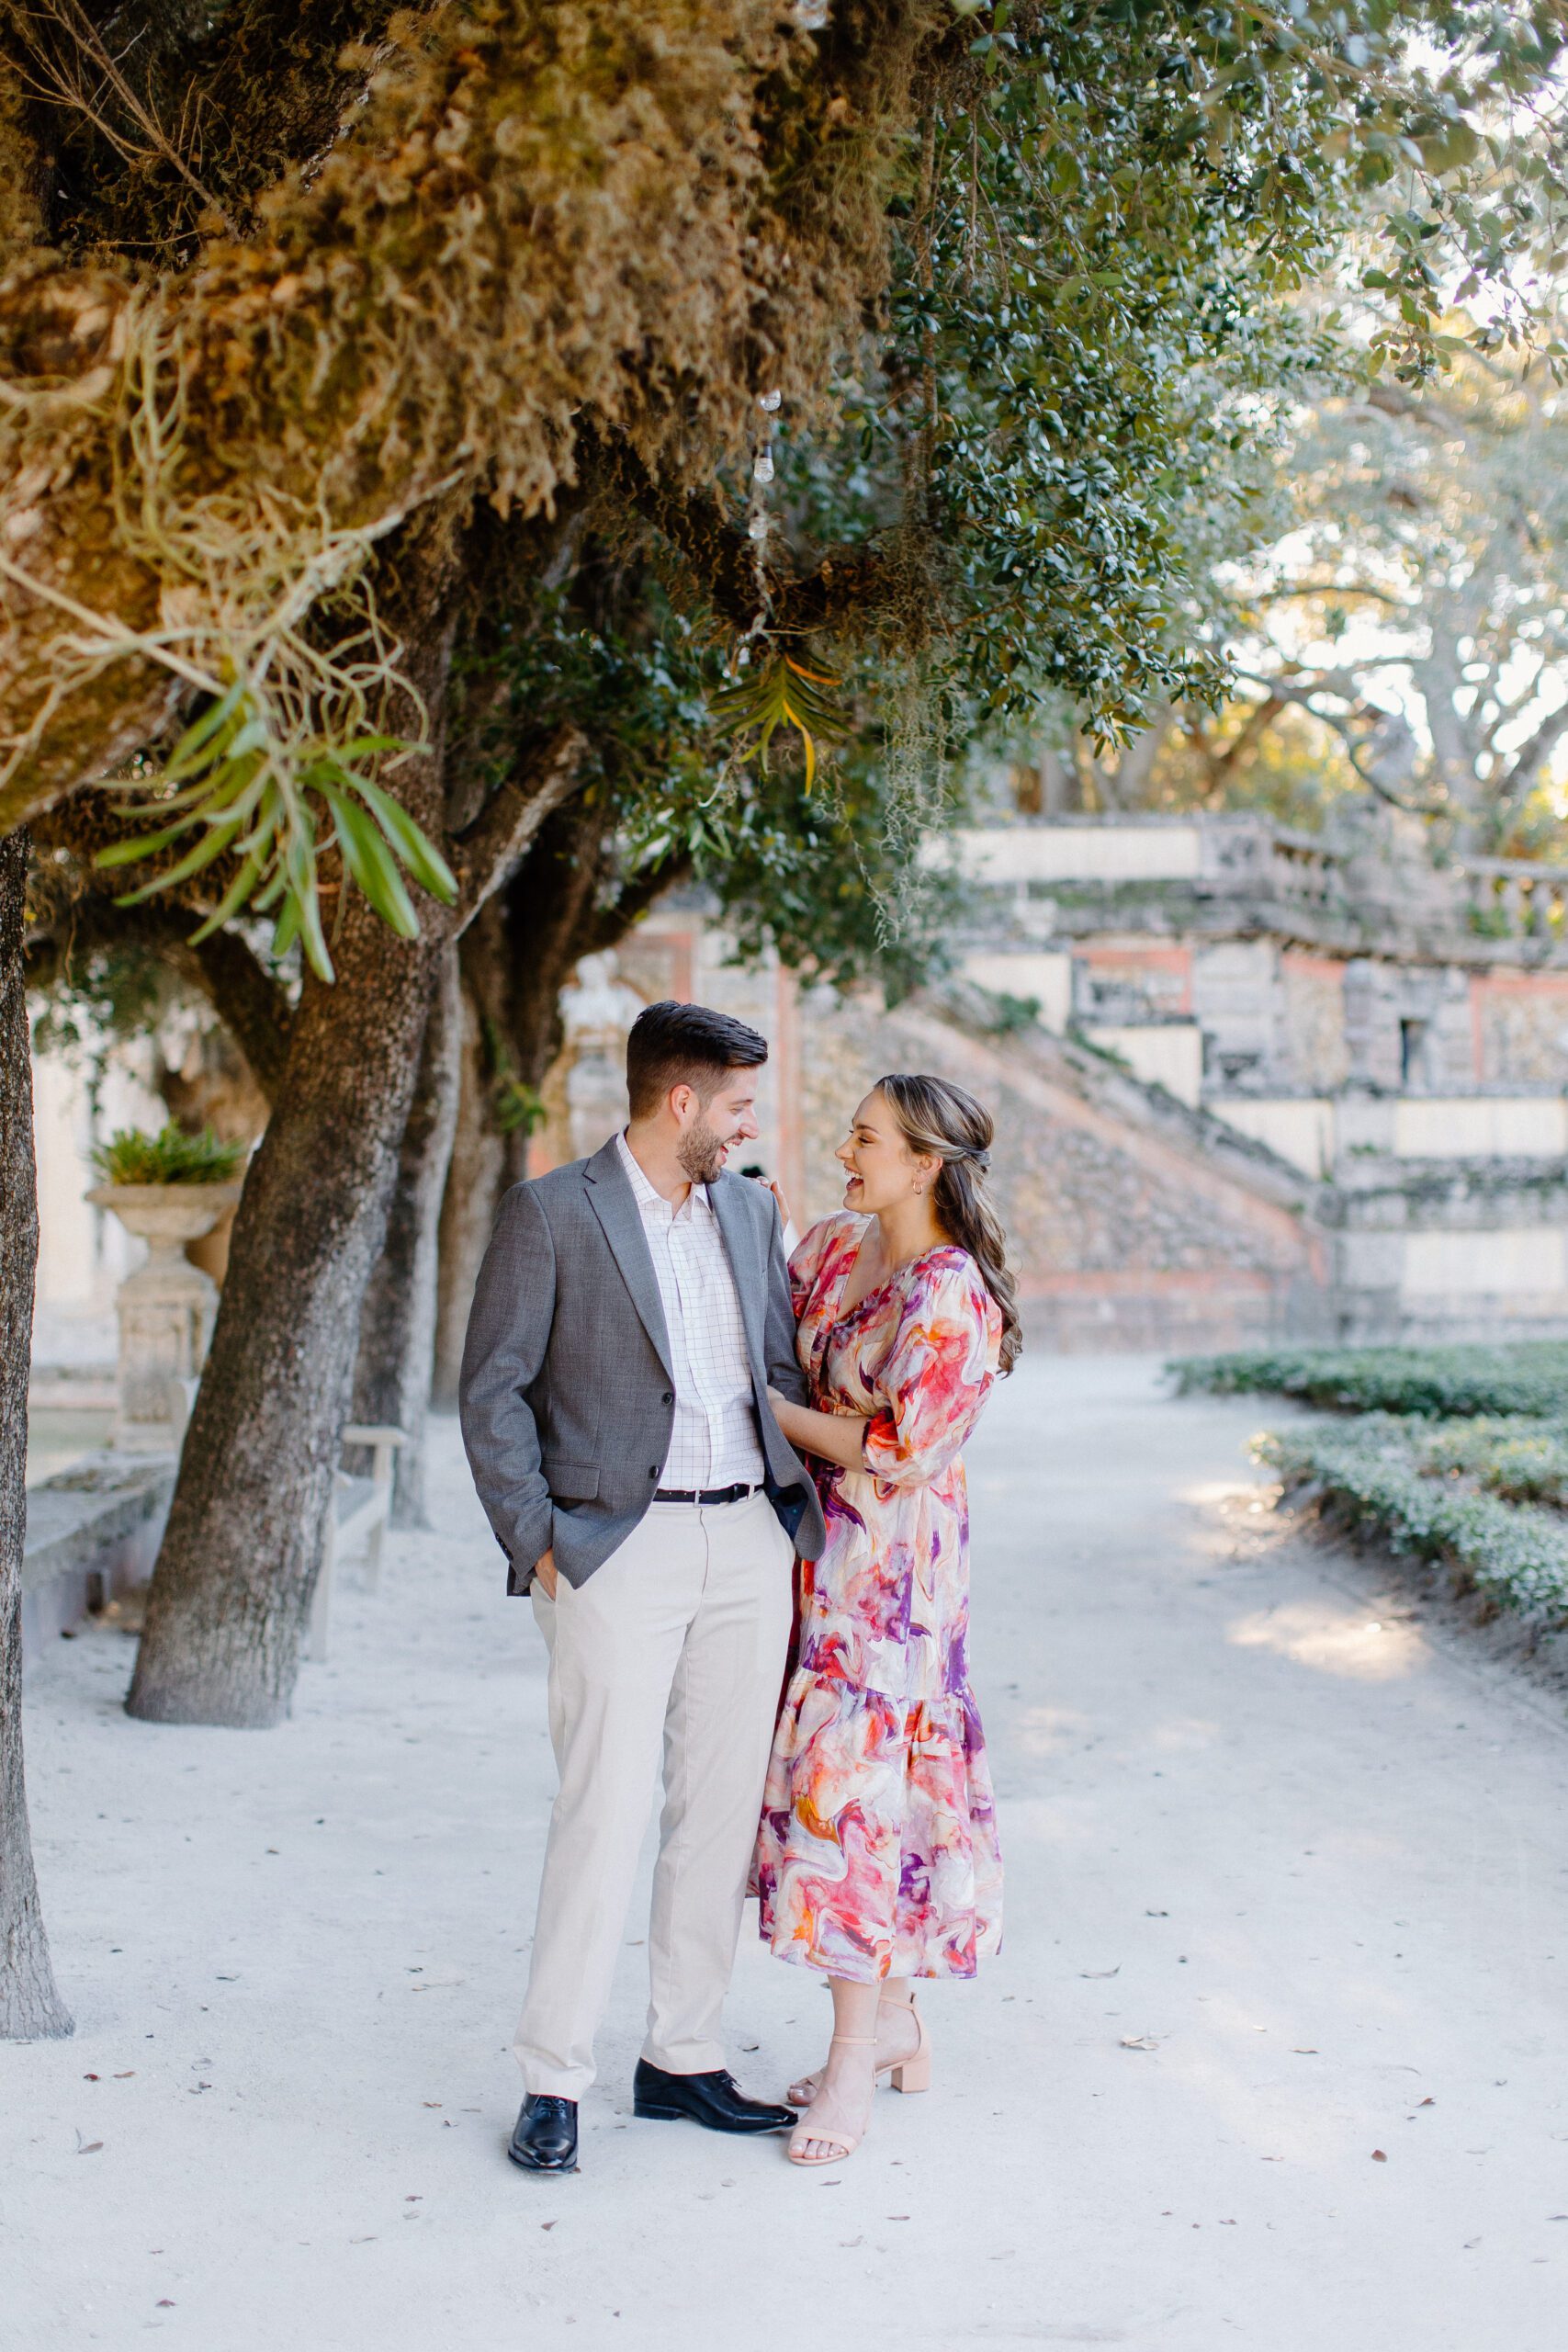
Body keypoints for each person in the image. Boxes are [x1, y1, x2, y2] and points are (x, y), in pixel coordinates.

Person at [459, 1001, 827, 2177]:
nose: (746, 1122)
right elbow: (494, 1390)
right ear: (681, 1103)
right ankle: (553, 2076)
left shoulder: (753, 1207)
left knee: (715, 1815)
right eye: (734, 1104)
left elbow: (772, 1371)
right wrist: (541, 1538)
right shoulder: (552, 1213)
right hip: (616, 1551)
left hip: (746, 1550)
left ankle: (682, 2056)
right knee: (602, 1814)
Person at [754, 1072, 1020, 2166]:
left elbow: (906, 1449)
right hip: (818, 1556)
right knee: (869, 1792)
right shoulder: (828, 1245)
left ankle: (854, 2057)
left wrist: (776, 1418)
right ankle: (895, 2019)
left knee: (858, 1791)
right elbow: (766, 1319)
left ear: (926, 1164)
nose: (844, 1151)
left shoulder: (950, 1292)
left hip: (896, 1576)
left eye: (866, 1139)